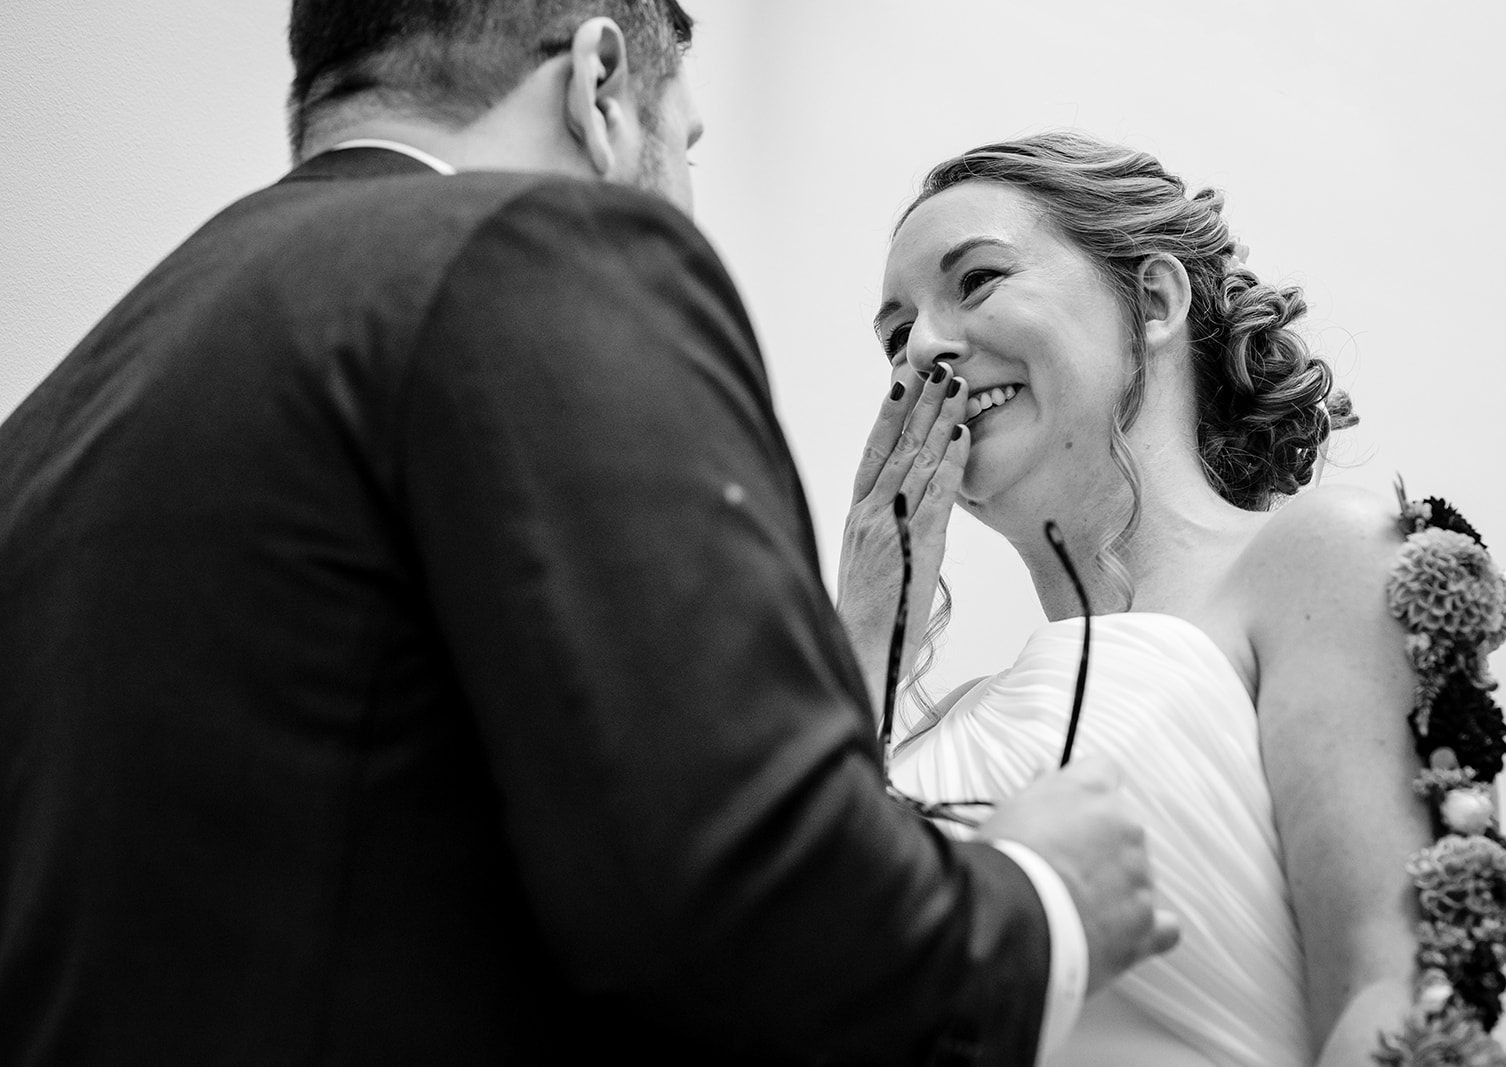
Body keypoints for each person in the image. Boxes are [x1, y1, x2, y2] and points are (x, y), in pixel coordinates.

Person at [0, 5, 1179, 1065]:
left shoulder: (53, 420)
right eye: (692, 145)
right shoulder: (533, 249)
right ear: (601, 89)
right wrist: (1039, 898)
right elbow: (739, 893)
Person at [837, 130, 1506, 1065]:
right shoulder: (925, 726)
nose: (922, 348)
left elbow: (1385, 992)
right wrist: (865, 634)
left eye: (978, 280)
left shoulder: (1307, 563)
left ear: (1153, 299)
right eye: (893, 336)